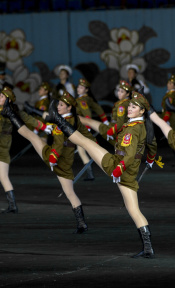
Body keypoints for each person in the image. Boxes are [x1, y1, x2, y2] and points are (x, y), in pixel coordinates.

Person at [44, 92, 158, 258]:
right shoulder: (143, 126)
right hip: (129, 171)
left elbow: (130, 153)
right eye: (130, 106)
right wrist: (151, 158)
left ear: (142, 111)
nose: (129, 108)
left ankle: (58, 119)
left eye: (134, 107)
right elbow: (152, 144)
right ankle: (148, 248)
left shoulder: (134, 129)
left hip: (117, 165)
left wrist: (118, 168)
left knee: (86, 142)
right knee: (133, 209)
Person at [1, 91, 95, 233]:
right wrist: (96, 146)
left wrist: (53, 157)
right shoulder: (75, 120)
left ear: (69, 108)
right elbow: (87, 136)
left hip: (57, 158)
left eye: (62, 105)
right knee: (70, 193)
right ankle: (81, 223)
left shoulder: (62, 124)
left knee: (32, 136)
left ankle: (11, 114)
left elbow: (58, 143)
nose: (59, 106)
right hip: (66, 161)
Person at [74, 78, 109, 180]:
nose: (78, 89)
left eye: (81, 87)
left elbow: (87, 115)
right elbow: (98, 108)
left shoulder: (82, 100)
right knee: (84, 150)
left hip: (84, 128)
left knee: (84, 150)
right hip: (82, 127)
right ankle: (90, 172)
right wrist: (105, 120)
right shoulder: (87, 99)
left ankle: (92, 172)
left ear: (86, 90)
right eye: (78, 87)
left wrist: (88, 129)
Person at [160, 74, 175, 166]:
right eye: (168, 82)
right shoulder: (170, 93)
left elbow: (169, 108)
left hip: (170, 117)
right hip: (169, 116)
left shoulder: (172, 94)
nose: (168, 84)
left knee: (172, 138)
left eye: (171, 83)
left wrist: (165, 119)